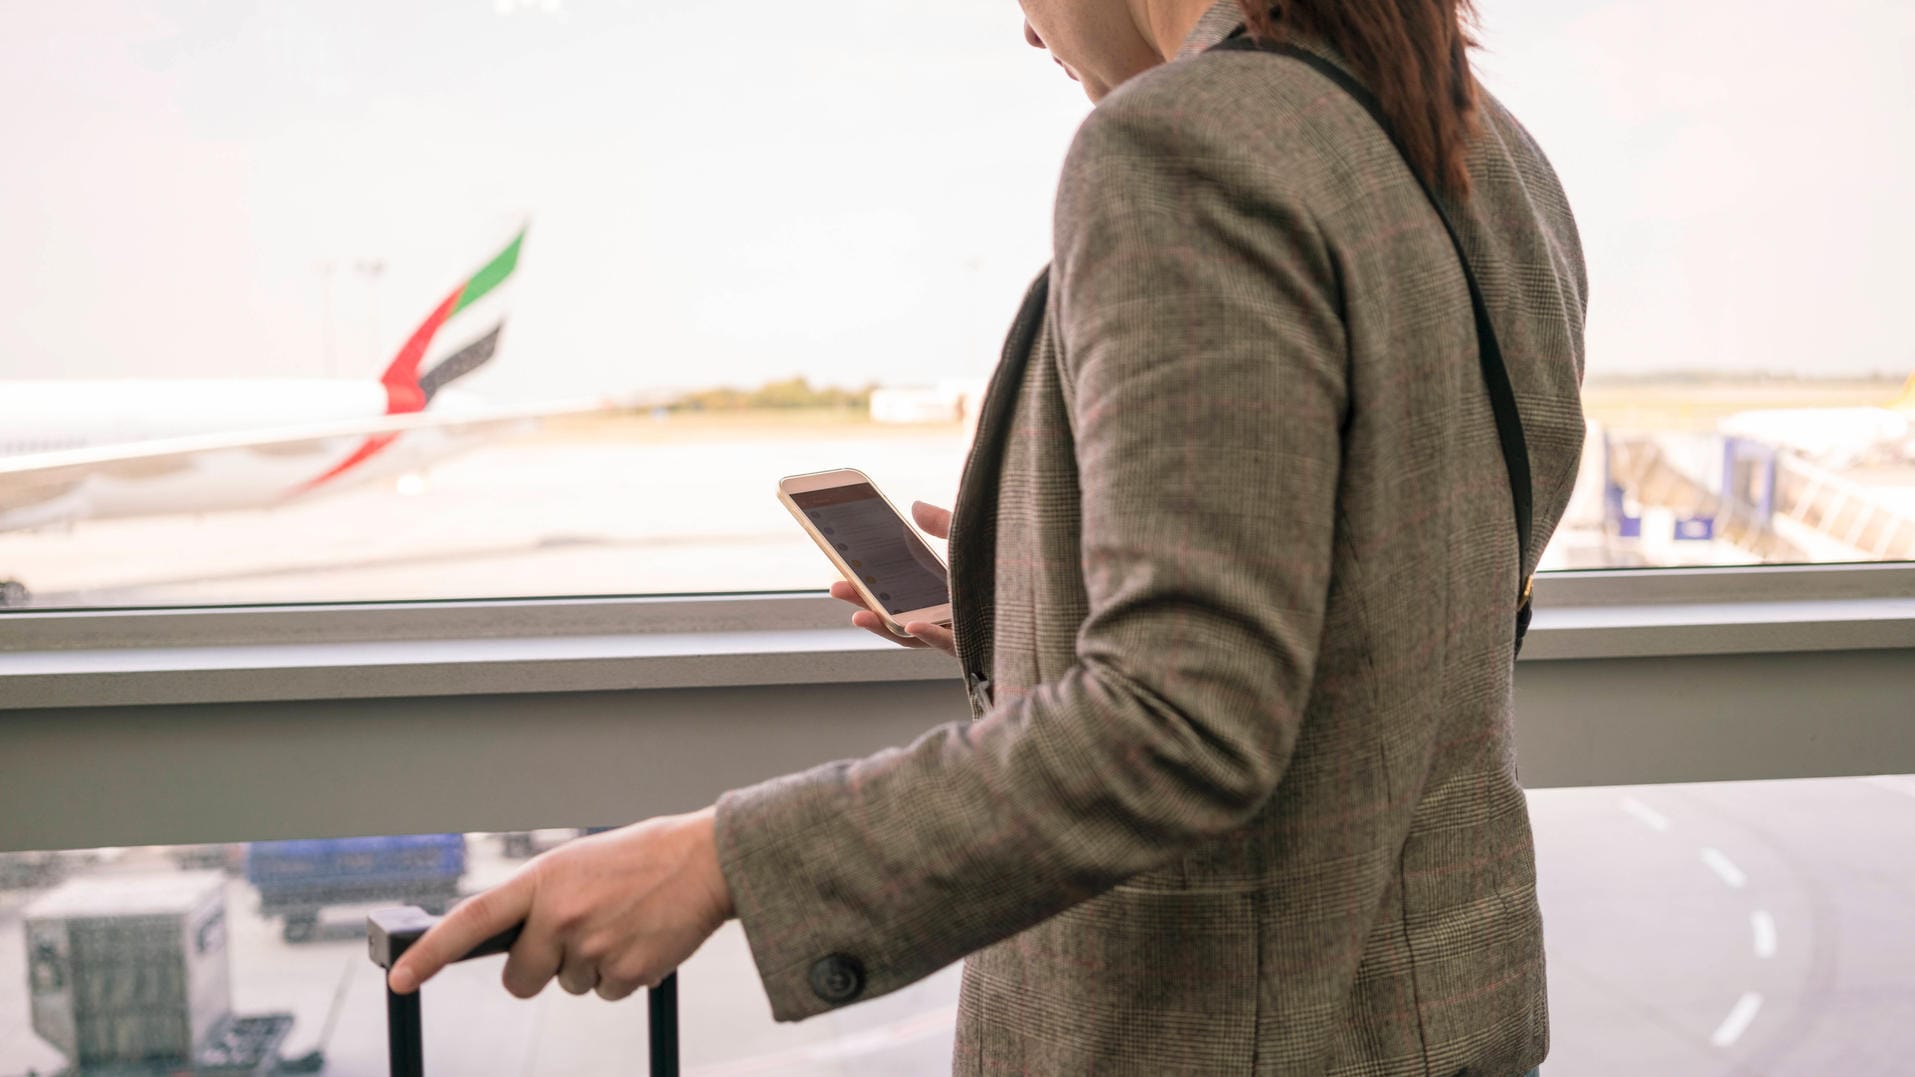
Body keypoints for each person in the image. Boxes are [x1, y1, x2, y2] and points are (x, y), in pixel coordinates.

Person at [390, 0, 1585, 1072]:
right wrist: (1050, 594)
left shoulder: (1187, 146)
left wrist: (715, 864)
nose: (1025, 31)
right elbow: (1425, 558)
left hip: (1220, 1031)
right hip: (1433, 1012)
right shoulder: (1478, 143)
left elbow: (1184, 724)